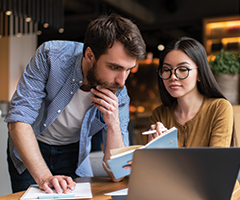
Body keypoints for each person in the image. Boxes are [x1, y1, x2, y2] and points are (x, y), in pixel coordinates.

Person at [5, 13, 146, 193]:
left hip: (75, 153)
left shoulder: (120, 93)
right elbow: (19, 121)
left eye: (128, 70)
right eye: (114, 67)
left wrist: (113, 123)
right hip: (32, 146)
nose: (121, 81)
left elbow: (117, 174)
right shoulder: (51, 56)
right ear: (89, 55)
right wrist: (45, 177)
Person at [148, 36, 239, 190]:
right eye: (166, 70)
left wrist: (168, 153)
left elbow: (215, 167)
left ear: (200, 73)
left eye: (182, 69)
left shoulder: (219, 108)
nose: (173, 77)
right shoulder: (159, 115)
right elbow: (156, 174)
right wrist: (152, 152)